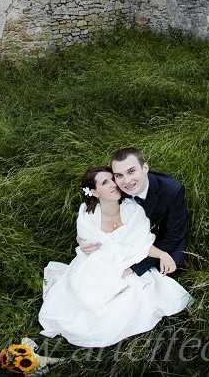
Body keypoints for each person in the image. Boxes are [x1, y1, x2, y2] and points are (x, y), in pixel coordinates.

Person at [38, 167, 192, 348]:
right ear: (94, 192)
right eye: (105, 182)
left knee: (132, 295)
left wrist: (162, 254)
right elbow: (89, 243)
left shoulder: (132, 210)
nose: (114, 185)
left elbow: (141, 244)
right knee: (85, 299)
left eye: (113, 179)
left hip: (127, 260)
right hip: (96, 263)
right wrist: (83, 243)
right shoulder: (88, 215)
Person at [80, 148, 188, 276]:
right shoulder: (117, 189)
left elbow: (174, 235)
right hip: (128, 236)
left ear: (145, 168)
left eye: (131, 171)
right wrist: (82, 239)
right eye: (119, 175)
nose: (126, 181)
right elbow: (99, 212)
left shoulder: (172, 190)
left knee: (172, 263)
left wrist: (133, 269)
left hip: (162, 235)